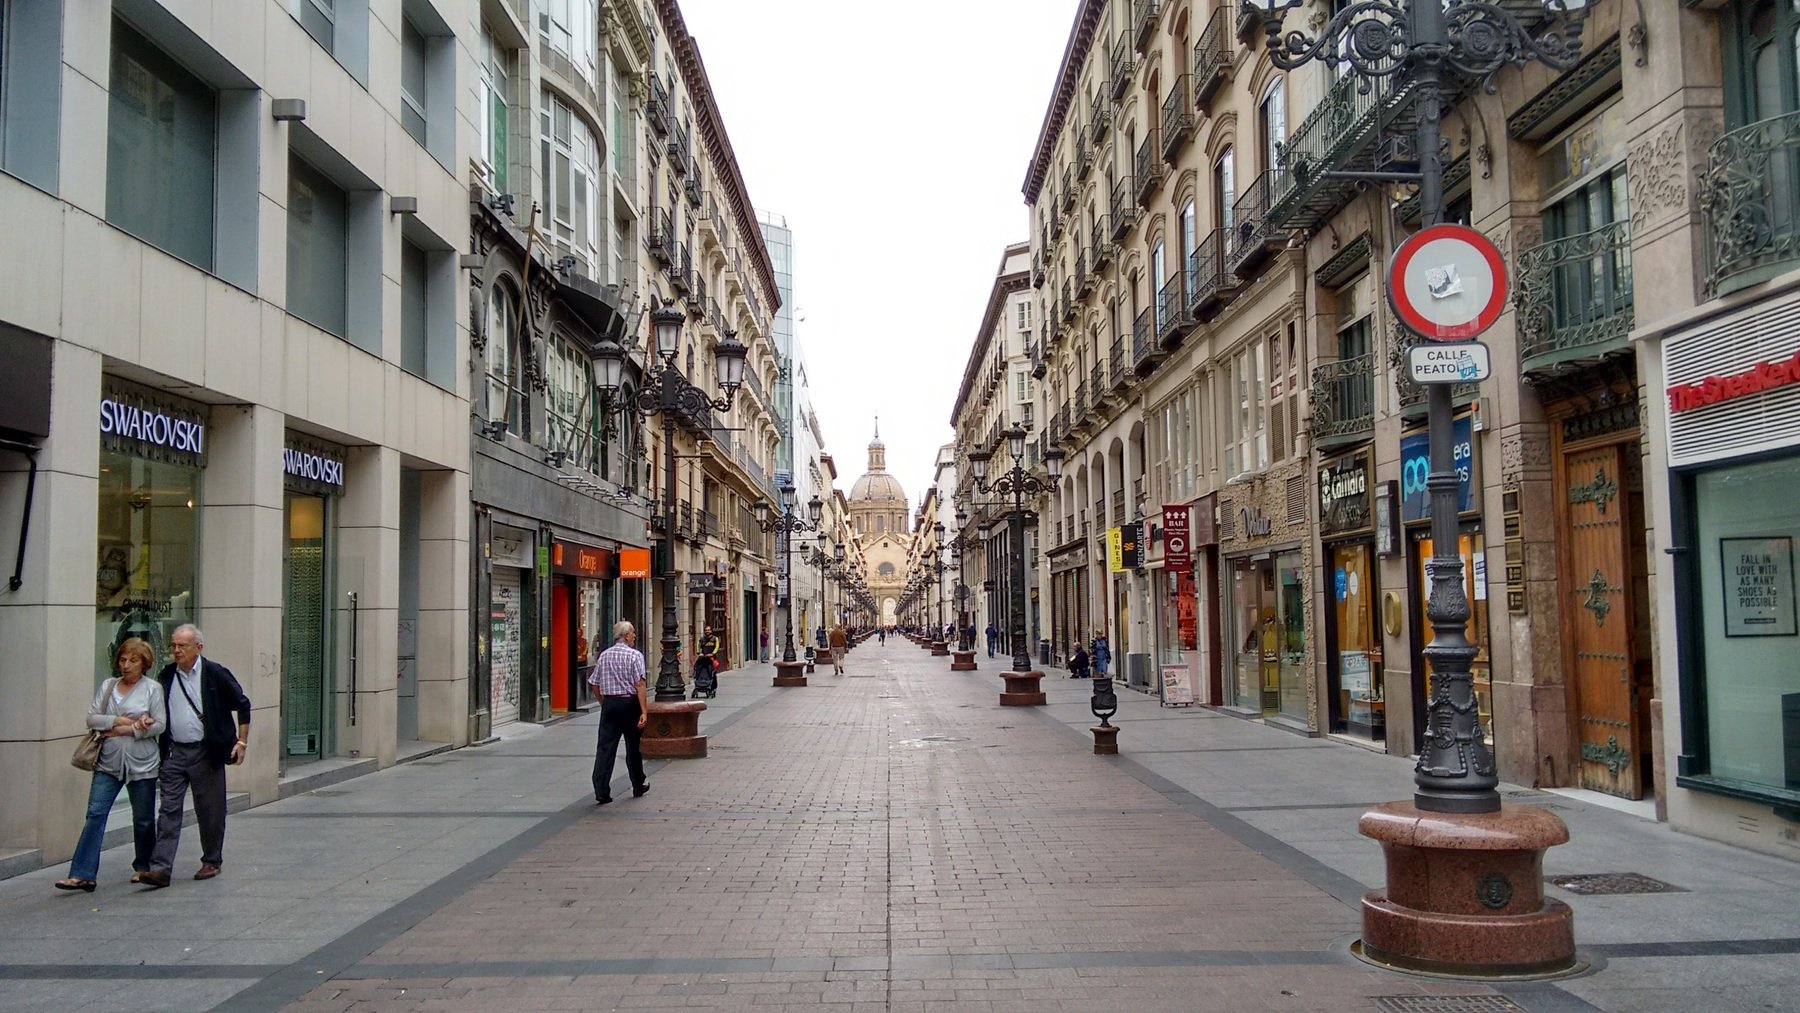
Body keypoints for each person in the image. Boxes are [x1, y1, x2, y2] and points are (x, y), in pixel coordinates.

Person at [140, 624, 251, 888]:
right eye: (174, 645)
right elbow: (157, 707)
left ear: (198, 648)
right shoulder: (167, 675)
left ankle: (212, 860)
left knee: (210, 809)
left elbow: (242, 704)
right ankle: (160, 868)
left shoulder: (215, 673)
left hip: (206, 751)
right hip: (174, 751)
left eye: (182, 646)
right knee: (168, 809)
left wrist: (242, 741)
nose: (176, 650)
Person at [57, 638, 167, 892]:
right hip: (108, 762)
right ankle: (82, 873)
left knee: (143, 819)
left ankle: (144, 866)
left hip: (141, 763)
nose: (126, 665)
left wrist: (129, 730)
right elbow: (92, 718)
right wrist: (120, 720)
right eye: (123, 660)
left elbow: (160, 725)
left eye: (133, 661)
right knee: (95, 814)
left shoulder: (152, 689)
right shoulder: (108, 686)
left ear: (144, 663)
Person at [587, 620, 650, 806]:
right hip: (629, 704)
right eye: (633, 633)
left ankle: (601, 790)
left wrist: (604, 702)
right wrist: (644, 711)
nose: (635, 636)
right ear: (626, 635)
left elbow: (594, 683)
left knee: (605, 747)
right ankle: (638, 784)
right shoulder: (635, 655)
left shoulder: (605, 655)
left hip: (610, 704)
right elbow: (640, 684)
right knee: (633, 747)